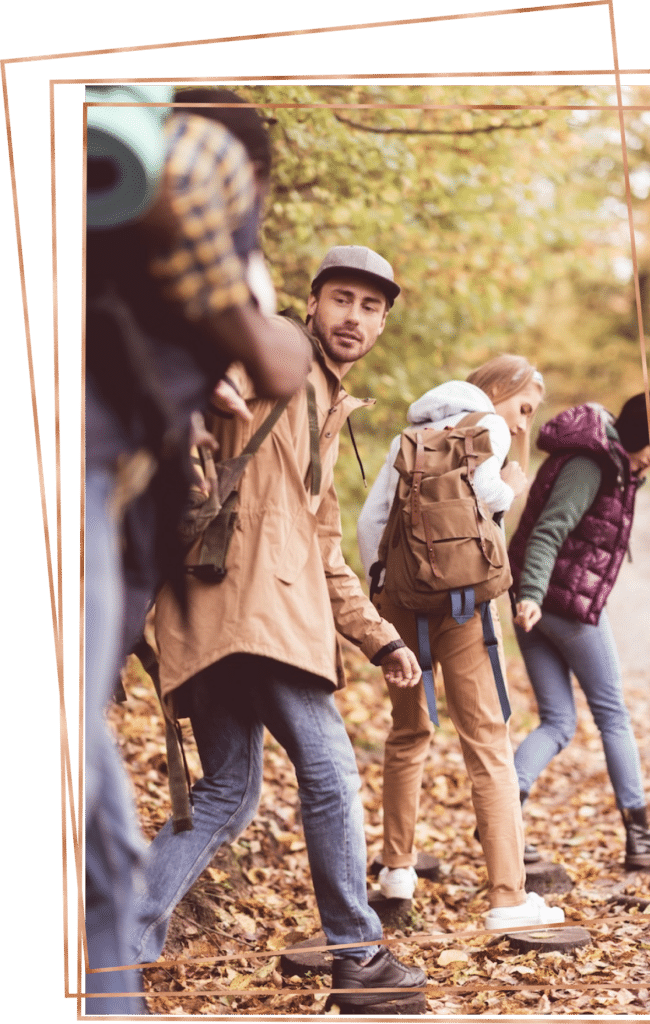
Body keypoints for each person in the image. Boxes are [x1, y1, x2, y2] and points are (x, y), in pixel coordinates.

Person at [130, 246, 428, 1014]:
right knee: (331, 770)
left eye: (371, 307)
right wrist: (215, 366)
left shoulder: (325, 406)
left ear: (384, 322)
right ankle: (355, 953)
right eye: (342, 299)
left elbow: (321, 546)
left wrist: (381, 638)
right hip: (257, 610)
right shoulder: (282, 354)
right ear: (312, 302)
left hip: (225, 611)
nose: (353, 318)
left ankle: (116, 946)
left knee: (228, 792)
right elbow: (225, 338)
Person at [84, 88, 310, 1015]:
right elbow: (279, 360)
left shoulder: (124, 274)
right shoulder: (204, 158)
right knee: (98, 822)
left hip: (130, 536)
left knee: (151, 817)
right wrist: (249, 310)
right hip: (129, 536)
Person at [357, 356, 565, 931]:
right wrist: (512, 488)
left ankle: (397, 869)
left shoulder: (411, 435)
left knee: (409, 731)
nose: (522, 425)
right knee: (487, 743)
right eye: (523, 407)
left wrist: (383, 596)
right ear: (496, 391)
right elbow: (488, 491)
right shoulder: (486, 426)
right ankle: (506, 896)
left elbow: (372, 521)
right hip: (463, 606)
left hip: (400, 605)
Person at [508, 392, 650, 869]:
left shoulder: (611, 461)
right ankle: (640, 834)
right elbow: (548, 529)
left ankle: (505, 814)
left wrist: (528, 598)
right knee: (612, 714)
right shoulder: (591, 464)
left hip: (539, 603)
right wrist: (531, 595)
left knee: (558, 722)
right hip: (560, 602)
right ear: (639, 434)